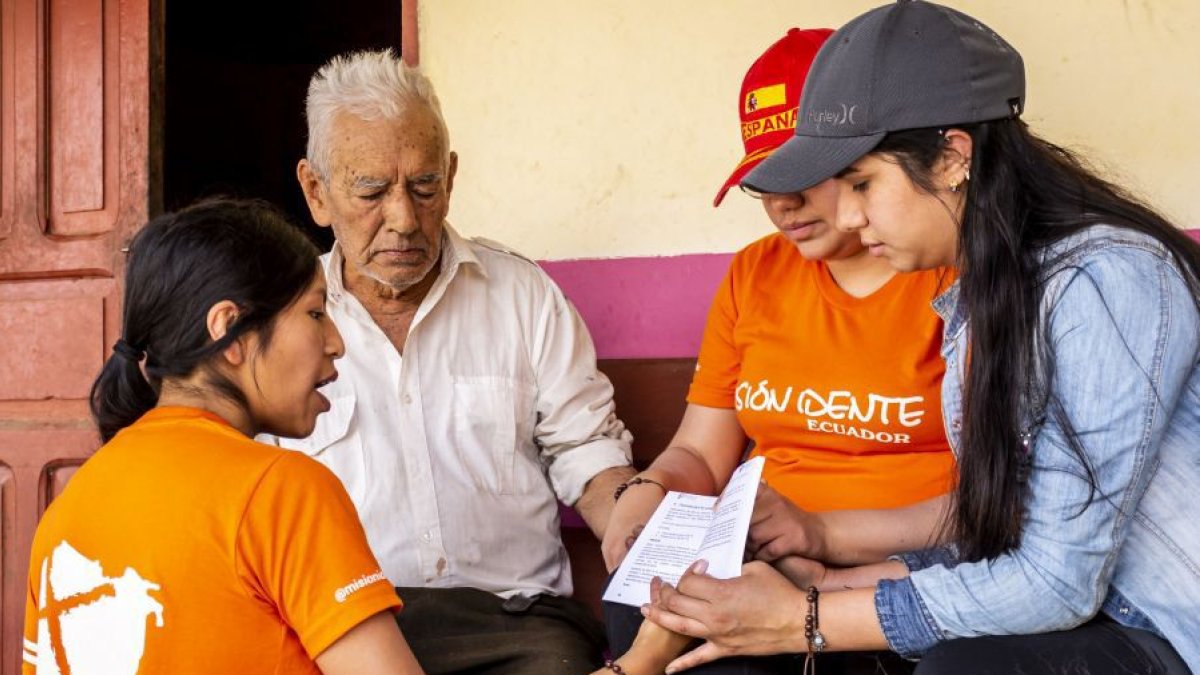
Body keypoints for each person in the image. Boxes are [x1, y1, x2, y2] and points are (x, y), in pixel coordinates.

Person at [644, 3, 1199, 674]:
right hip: (1096, 607)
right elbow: (1007, 536)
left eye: (862, 183)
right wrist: (816, 583)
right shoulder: (980, 294)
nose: (847, 215)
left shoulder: (1106, 279)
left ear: (950, 158)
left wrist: (804, 618)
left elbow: (1056, 581)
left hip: (1166, 624)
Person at [601, 27, 956, 675]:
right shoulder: (755, 273)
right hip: (754, 549)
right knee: (645, 606)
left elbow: (999, 501)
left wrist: (822, 540)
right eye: (762, 180)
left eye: (803, 173)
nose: (782, 203)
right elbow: (700, 450)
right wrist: (647, 491)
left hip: (899, 557)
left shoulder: (946, 271)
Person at [269, 49, 636, 674]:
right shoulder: (277, 324)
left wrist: (639, 537)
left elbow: (589, 453)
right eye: (372, 191)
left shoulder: (522, 296)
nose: (405, 219)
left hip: (515, 624)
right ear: (316, 192)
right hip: (343, 627)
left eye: (424, 186)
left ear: (452, 176)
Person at [23, 199, 423, 674]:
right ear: (231, 331)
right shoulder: (283, 492)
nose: (336, 342)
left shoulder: (69, 509)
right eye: (315, 313)